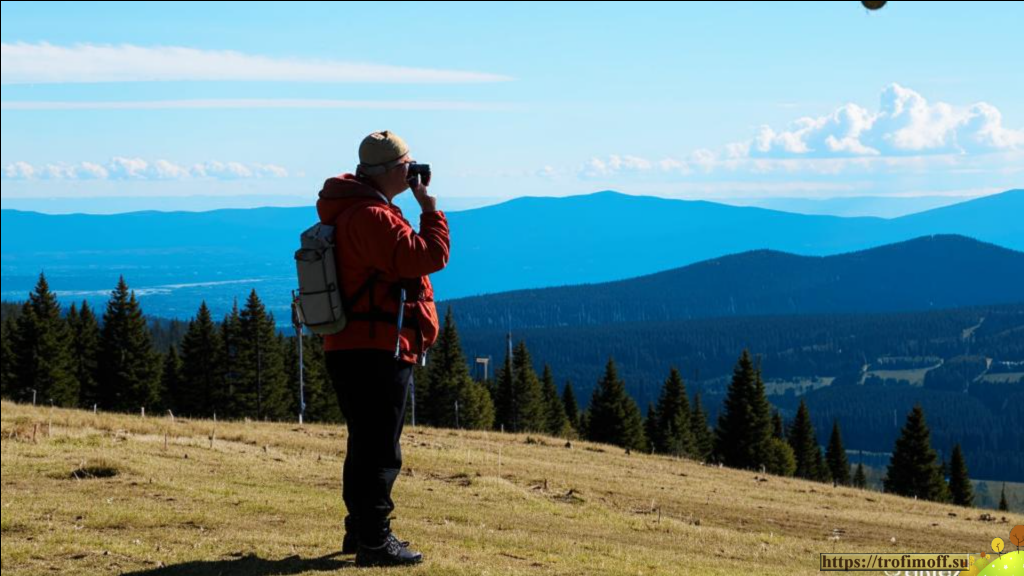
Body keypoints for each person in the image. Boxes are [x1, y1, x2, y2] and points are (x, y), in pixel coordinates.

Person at [316, 130, 449, 567]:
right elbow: (426, 257)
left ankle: (361, 531)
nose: (413, 173)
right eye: (408, 166)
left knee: (365, 441)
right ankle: (376, 541)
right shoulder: (373, 216)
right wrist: (430, 210)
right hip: (377, 347)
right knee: (380, 448)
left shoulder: (350, 209)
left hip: (350, 343)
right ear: (391, 171)